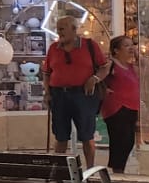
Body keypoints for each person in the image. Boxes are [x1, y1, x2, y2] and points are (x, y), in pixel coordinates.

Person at [43, 16, 111, 168]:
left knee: (87, 135)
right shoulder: (54, 49)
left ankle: (89, 170)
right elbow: (47, 73)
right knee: (60, 136)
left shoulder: (89, 46)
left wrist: (94, 79)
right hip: (59, 95)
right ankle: (58, 171)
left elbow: (104, 67)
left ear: (74, 29)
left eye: (62, 29)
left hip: (83, 95)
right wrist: (47, 93)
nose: (59, 32)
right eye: (57, 29)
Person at [100, 34, 140, 174]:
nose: (131, 48)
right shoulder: (111, 64)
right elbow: (98, 78)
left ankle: (119, 168)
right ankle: (117, 169)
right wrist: (105, 90)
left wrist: (137, 55)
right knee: (119, 139)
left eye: (132, 45)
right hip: (116, 107)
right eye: (126, 45)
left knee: (129, 140)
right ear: (116, 50)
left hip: (132, 107)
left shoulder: (131, 66)